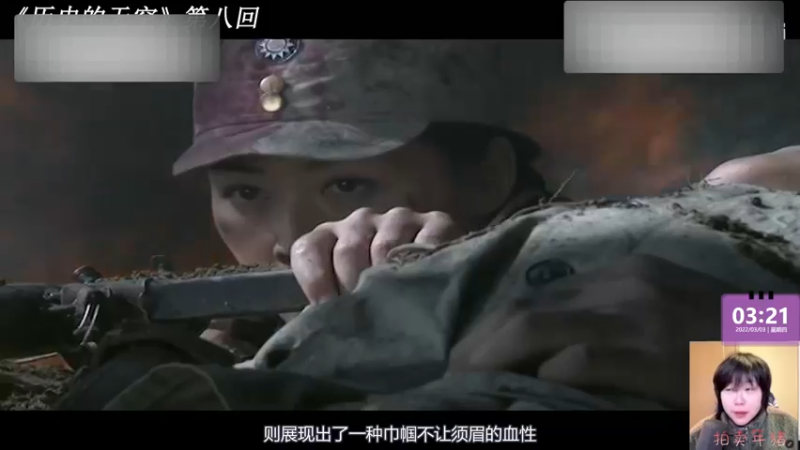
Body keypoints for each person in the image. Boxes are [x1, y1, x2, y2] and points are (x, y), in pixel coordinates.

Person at [57, 40, 800, 411]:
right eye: (245, 192)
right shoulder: (207, 361)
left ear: (487, 176)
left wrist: (757, 361)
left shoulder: (702, 223)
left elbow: (757, 407)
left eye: (347, 184)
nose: (288, 238)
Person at [689, 353, 798, 450]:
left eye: (749, 389)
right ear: (719, 394)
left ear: (764, 393)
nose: (739, 401)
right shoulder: (697, 435)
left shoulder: (788, 425)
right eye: (730, 390)